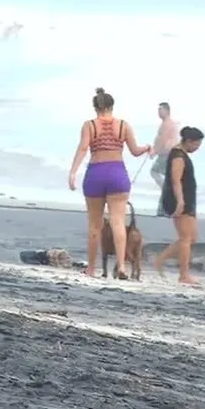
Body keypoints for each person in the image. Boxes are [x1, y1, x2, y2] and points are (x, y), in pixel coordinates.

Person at [68, 87, 152, 279]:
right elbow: (135, 151)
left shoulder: (89, 125)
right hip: (117, 173)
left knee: (94, 224)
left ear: (95, 107)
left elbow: (82, 149)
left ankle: (91, 268)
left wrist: (73, 172)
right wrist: (147, 148)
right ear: (112, 106)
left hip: (96, 173)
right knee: (118, 222)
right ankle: (121, 267)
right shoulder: (124, 125)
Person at [154, 126, 204, 285]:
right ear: (189, 141)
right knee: (185, 238)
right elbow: (175, 181)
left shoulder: (181, 154)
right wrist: (180, 201)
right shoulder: (178, 156)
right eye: (196, 145)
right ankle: (183, 275)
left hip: (188, 198)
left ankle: (160, 259)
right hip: (179, 200)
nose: (197, 149)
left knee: (191, 237)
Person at [149, 102, 179, 214]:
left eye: (160, 110)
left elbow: (163, 140)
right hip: (167, 154)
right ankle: (166, 201)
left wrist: (155, 151)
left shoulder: (167, 124)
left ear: (167, 111)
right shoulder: (167, 123)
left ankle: (167, 192)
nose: (159, 112)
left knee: (154, 171)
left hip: (166, 154)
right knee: (167, 178)